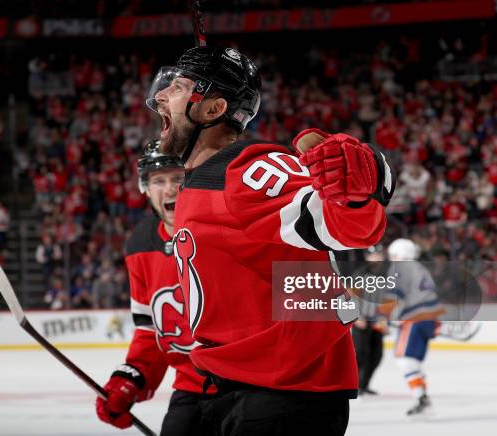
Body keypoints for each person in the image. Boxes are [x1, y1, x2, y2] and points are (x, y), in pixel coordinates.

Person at [146, 46, 396, 435]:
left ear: (212, 110)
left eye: (177, 88)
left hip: (283, 395)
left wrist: (358, 190)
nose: (160, 95)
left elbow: (347, 225)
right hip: (231, 386)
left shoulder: (247, 168)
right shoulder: (201, 177)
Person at [96, 140, 212, 436]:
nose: (170, 189)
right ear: (144, 189)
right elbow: (151, 329)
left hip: (249, 387)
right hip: (192, 386)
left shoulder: (222, 228)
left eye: (178, 178)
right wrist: (132, 377)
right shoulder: (141, 244)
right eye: (158, 180)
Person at [384, 238, 444, 415]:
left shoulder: (401, 268)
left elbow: (395, 294)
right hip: (428, 318)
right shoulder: (421, 268)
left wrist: (384, 316)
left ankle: (421, 398)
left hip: (415, 319)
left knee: (405, 361)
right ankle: (422, 396)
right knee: (414, 362)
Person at [352, 246, 389, 396]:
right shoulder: (360, 274)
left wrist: (385, 319)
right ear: (367, 257)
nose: (376, 257)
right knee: (360, 353)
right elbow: (350, 297)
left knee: (376, 354)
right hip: (361, 320)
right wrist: (356, 317)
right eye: (373, 255)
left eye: (379, 254)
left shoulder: (387, 275)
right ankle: (354, 385)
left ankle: (364, 384)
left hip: (377, 321)